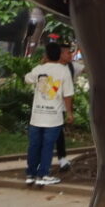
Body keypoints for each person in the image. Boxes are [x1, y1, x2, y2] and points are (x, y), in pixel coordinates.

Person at [24, 41, 74, 187]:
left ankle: (30, 175)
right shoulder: (64, 71)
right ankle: (43, 175)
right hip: (53, 118)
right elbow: (68, 95)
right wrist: (69, 113)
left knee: (34, 146)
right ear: (59, 55)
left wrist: (42, 64)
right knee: (47, 146)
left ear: (46, 55)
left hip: (37, 117)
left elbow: (27, 79)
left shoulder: (39, 69)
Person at [51, 43, 78, 173]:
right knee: (48, 134)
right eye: (68, 52)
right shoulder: (48, 68)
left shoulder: (72, 67)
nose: (71, 55)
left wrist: (68, 111)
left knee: (58, 134)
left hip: (60, 108)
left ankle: (62, 159)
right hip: (49, 107)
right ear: (60, 54)